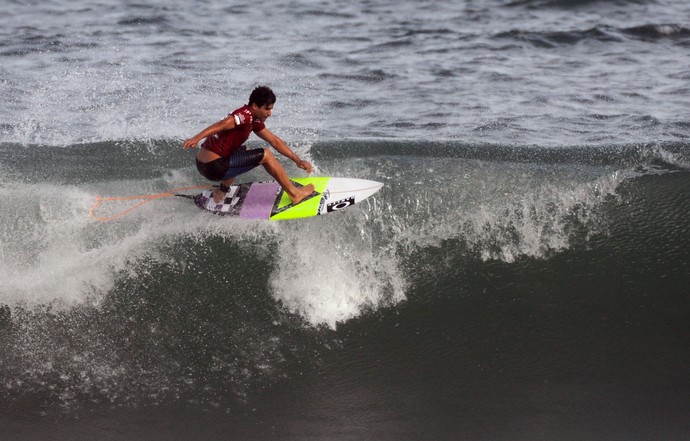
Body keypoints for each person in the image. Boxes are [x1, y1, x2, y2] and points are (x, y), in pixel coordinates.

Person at [182, 86, 314, 204]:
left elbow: (274, 140)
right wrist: (196, 138)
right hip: (215, 167)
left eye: (271, 109)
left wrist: (297, 160)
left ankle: (221, 191)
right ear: (255, 106)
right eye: (267, 109)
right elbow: (221, 124)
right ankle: (295, 194)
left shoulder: (254, 120)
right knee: (266, 155)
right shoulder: (244, 115)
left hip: (203, 165)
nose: (270, 113)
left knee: (244, 150)